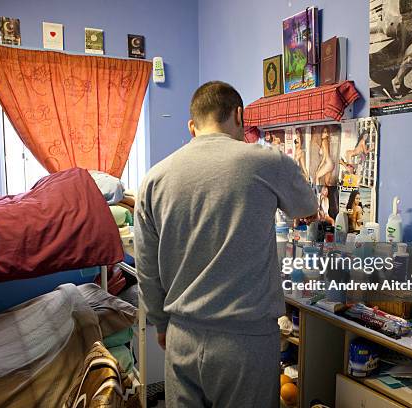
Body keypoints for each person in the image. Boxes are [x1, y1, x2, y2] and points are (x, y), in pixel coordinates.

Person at [134, 81, 318, 408]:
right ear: (238, 115)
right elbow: (307, 207)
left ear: (192, 126)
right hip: (245, 342)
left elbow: (146, 270)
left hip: (182, 337)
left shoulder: (153, 179)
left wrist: (162, 324)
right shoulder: (266, 162)